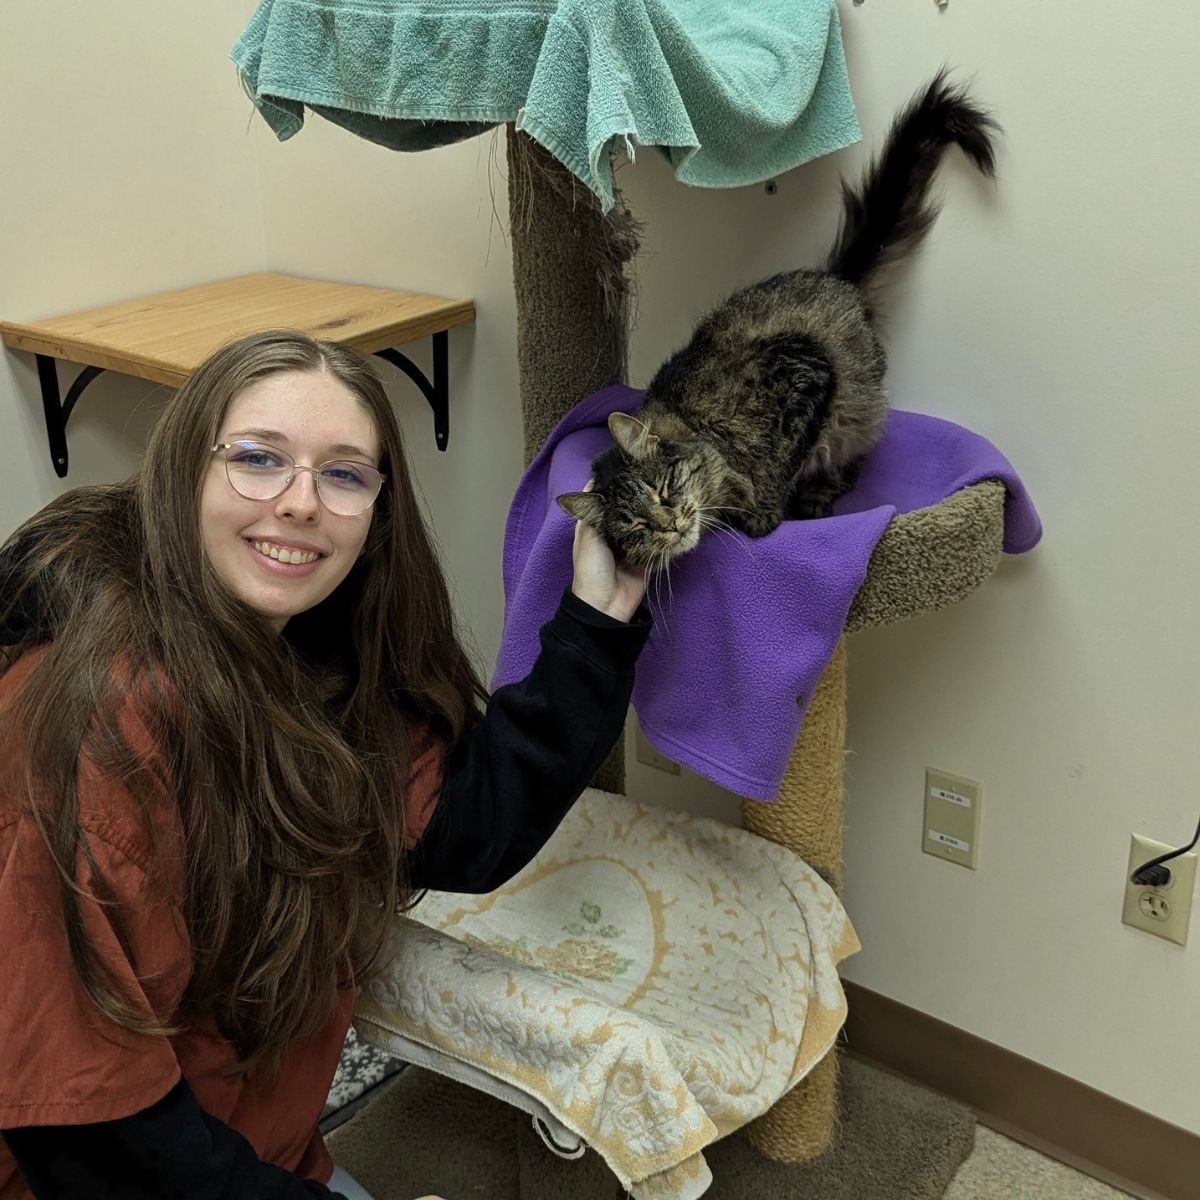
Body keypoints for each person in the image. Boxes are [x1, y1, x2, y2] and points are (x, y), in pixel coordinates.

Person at [0, 330, 650, 1200]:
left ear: (377, 511)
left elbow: (462, 829)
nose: (301, 503)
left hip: (258, 1148)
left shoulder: (314, 650)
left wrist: (596, 614)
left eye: (344, 474)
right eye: (259, 459)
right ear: (184, 471)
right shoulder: (97, 718)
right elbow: (95, 1139)